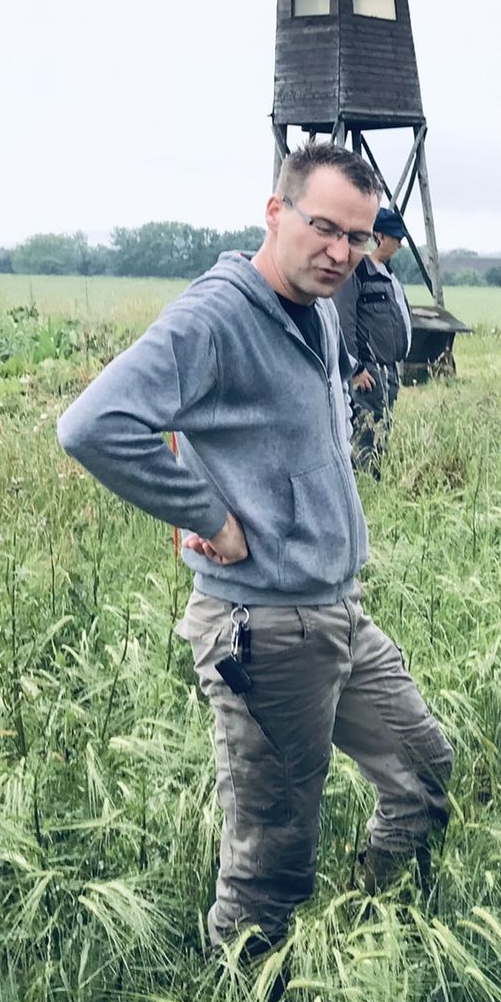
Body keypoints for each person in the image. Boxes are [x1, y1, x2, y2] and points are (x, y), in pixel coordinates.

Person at [56, 142, 455, 953]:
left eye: (357, 234)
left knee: (422, 770)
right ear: (275, 213)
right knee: (270, 868)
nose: (340, 250)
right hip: (264, 631)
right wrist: (204, 509)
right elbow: (94, 424)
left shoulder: (314, 307)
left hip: (336, 612)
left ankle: (369, 932)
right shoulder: (218, 316)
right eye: (323, 227)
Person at [336, 206, 414, 478]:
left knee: (382, 432)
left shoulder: (389, 275)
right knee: (365, 435)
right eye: (396, 237)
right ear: (379, 235)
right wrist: (355, 369)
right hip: (368, 372)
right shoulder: (358, 273)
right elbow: (343, 323)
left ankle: (375, 481)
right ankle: (364, 487)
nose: (400, 244)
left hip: (389, 371)